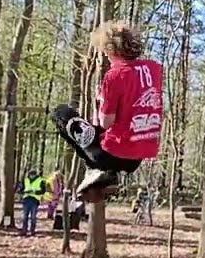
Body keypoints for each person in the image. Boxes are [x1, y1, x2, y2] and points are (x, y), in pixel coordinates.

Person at [51, 21, 164, 201]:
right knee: (100, 134)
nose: (106, 57)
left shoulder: (114, 75)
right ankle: (106, 172)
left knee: (61, 113)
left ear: (111, 50)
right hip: (138, 156)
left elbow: (105, 123)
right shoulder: (155, 70)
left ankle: (97, 168)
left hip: (111, 154)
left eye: (106, 53)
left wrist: (101, 101)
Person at [18, 169, 49, 236]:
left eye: (33, 175)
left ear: (35, 175)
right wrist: (25, 191)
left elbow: (43, 191)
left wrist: (35, 192)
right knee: (25, 216)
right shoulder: (25, 180)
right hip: (26, 199)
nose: (32, 176)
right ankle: (24, 230)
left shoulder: (40, 180)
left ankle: (32, 231)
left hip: (35, 200)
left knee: (33, 217)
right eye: (31, 175)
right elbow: (20, 190)